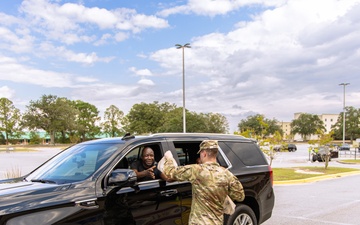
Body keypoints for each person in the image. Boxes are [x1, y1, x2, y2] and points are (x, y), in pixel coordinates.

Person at [162, 140, 244, 225]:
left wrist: (169, 158)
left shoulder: (196, 170)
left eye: (200, 153)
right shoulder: (227, 174)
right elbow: (240, 196)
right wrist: (222, 193)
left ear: (204, 153)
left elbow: (170, 172)